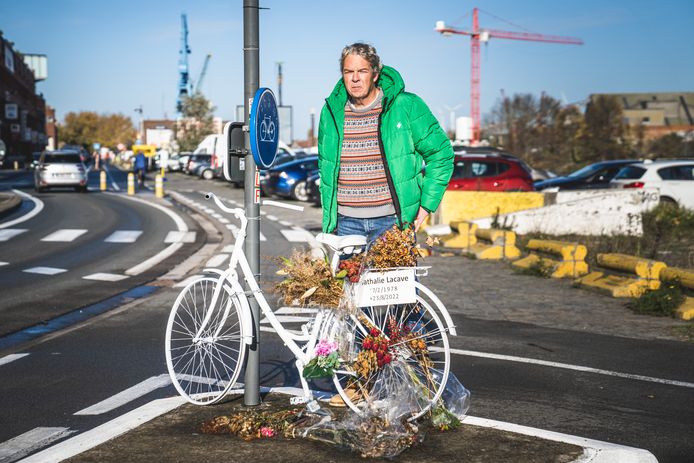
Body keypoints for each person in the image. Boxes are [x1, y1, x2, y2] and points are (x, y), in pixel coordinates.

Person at [318, 43, 454, 244]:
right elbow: (324, 167)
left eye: (362, 71)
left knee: (395, 277)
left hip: (392, 222)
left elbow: (441, 155)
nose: (355, 78)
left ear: (374, 74)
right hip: (346, 224)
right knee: (351, 277)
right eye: (349, 72)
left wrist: (426, 206)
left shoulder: (405, 106)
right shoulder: (331, 113)